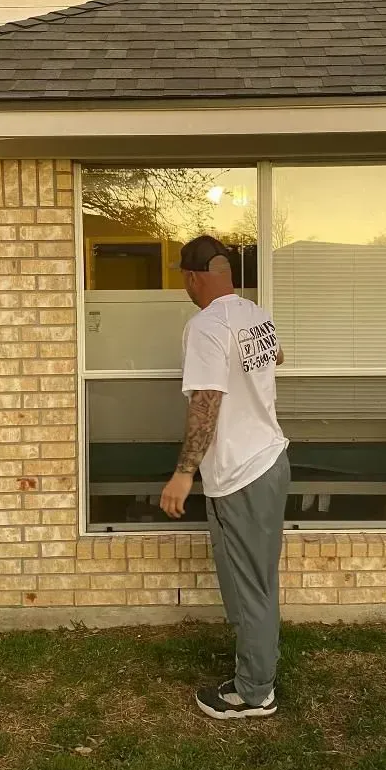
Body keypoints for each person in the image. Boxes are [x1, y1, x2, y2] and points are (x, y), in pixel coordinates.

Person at [160, 234, 290, 720]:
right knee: (254, 578)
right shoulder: (255, 315)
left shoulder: (206, 326)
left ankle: (255, 692)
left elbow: (206, 401)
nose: (187, 288)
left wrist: (183, 472)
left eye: (185, 280)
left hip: (241, 473)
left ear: (194, 277)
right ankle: (255, 660)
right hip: (270, 459)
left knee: (251, 583)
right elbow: (277, 357)